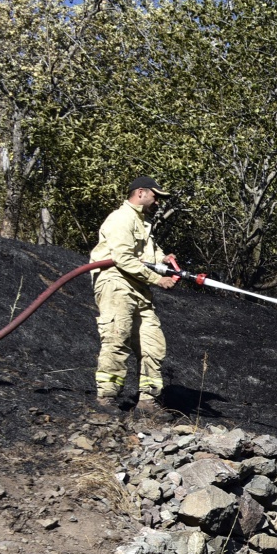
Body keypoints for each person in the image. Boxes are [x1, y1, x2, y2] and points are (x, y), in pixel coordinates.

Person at [90, 176, 179, 411]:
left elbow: (149, 254)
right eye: (156, 196)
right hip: (116, 283)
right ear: (140, 193)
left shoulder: (142, 223)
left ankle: (148, 402)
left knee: (153, 344)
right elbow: (123, 257)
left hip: (139, 288)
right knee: (117, 337)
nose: (158, 202)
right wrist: (157, 279)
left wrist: (164, 259)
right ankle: (106, 398)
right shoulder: (121, 218)